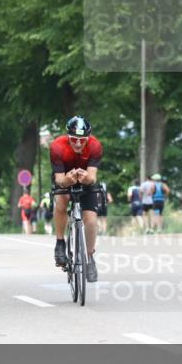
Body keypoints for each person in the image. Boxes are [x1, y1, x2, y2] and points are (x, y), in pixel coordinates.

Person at [50, 116, 103, 282]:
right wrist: (67, 180)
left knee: (92, 221)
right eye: (74, 139)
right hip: (65, 177)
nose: (78, 144)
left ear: (88, 138)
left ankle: (89, 256)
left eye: (82, 140)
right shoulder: (57, 146)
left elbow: (92, 177)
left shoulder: (95, 146)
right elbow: (59, 179)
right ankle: (60, 243)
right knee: (61, 201)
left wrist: (86, 178)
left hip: (85, 179)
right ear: (68, 137)